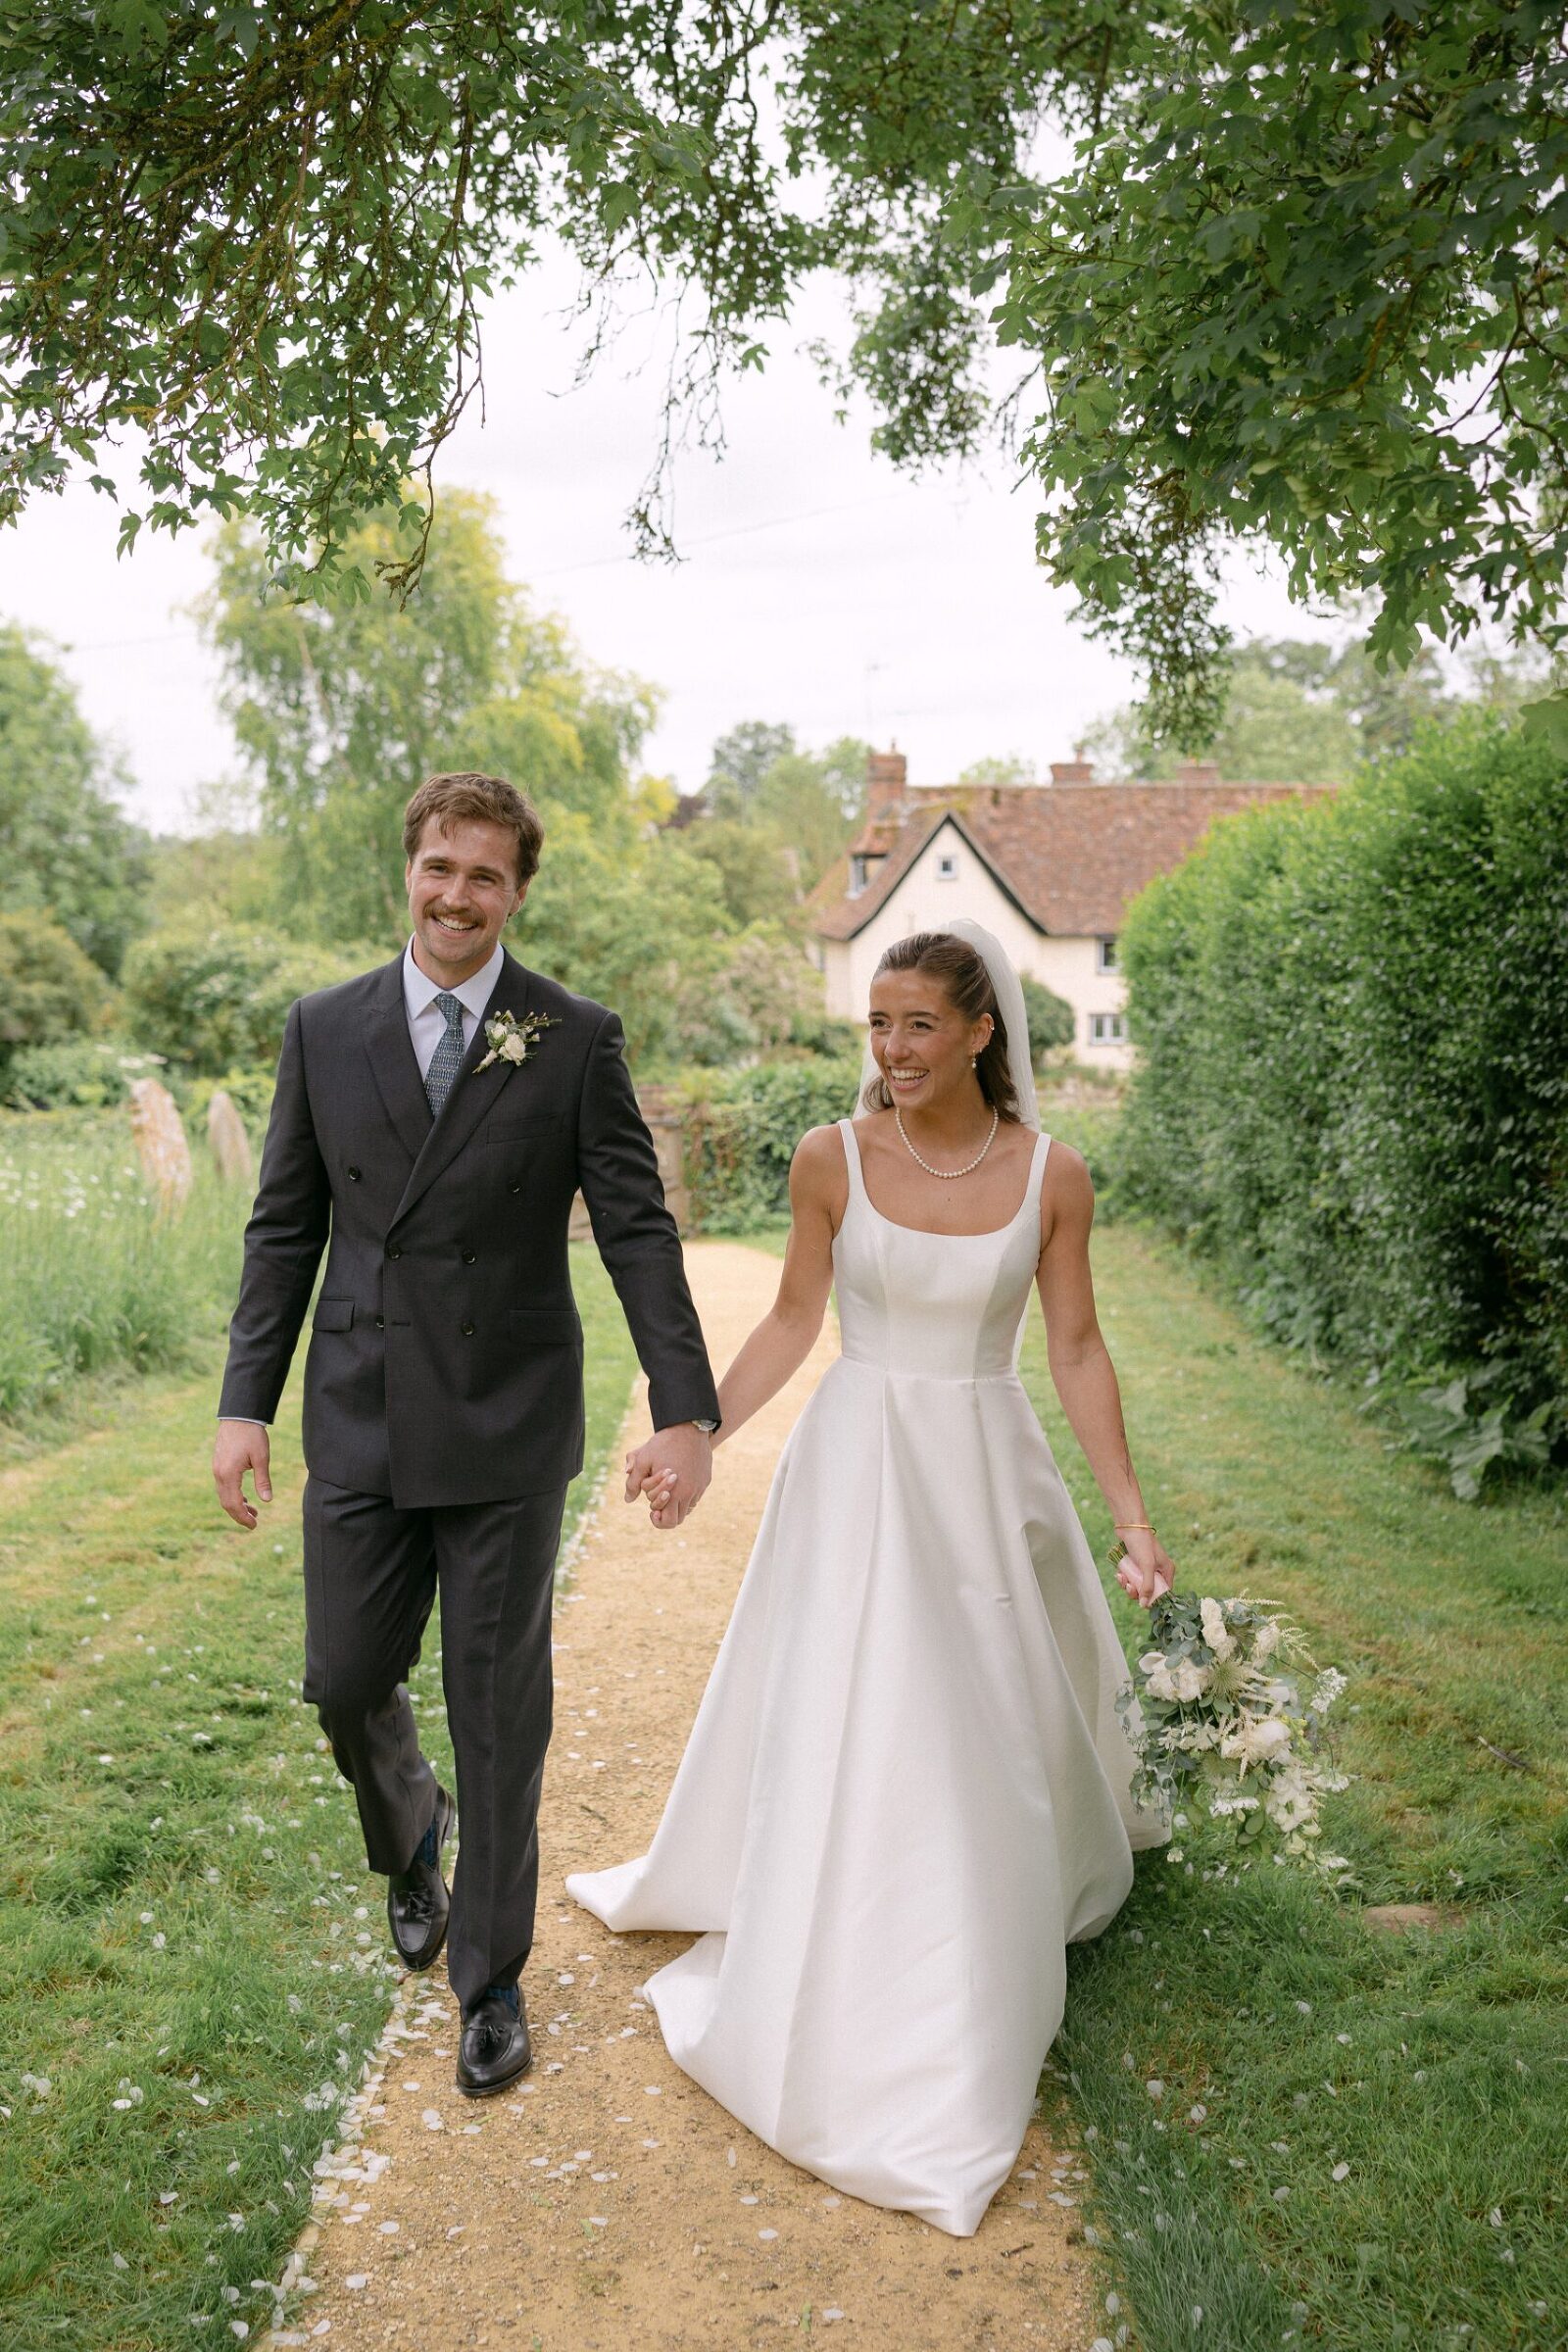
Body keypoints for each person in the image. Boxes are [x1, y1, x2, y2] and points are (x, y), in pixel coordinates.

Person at [568, 919, 1173, 2235]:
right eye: (876, 1027)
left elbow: (1074, 1347)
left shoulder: (1053, 1175)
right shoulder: (828, 1159)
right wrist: (697, 1432)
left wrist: (1129, 1519)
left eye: (915, 1025)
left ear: (979, 1032)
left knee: (989, 1713)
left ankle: (987, 1921)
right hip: (858, 1474)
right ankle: (868, 1914)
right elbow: (791, 1318)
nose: (892, 1051)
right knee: (869, 1698)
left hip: (986, 1468)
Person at [212, 770, 720, 2099]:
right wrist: (242, 1404)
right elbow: (285, 1229)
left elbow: (635, 1225)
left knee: (500, 1716)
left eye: (486, 877)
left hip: (504, 1423)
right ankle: (409, 1830)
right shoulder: (327, 1027)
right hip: (364, 1413)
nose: (458, 897)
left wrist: (684, 1403)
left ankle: (488, 1981)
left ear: (518, 891)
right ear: (411, 870)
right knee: (341, 1679)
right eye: (441, 868)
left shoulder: (573, 1034)